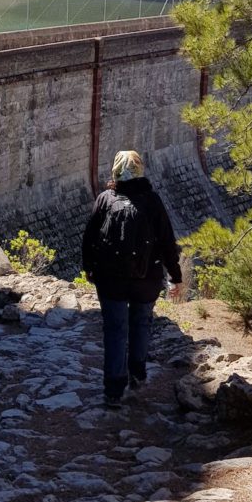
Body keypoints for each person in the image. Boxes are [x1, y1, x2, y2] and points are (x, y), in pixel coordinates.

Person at [82, 149, 183, 409]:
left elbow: (90, 238)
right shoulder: (152, 201)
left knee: (115, 330)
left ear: (116, 172)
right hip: (146, 278)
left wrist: (90, 269)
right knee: (141, 323)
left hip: (111, 279)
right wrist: (176, 276)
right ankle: (137, 374)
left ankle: (114, 390)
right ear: (140, 171)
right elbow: (168, 242)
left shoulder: (106, 199)